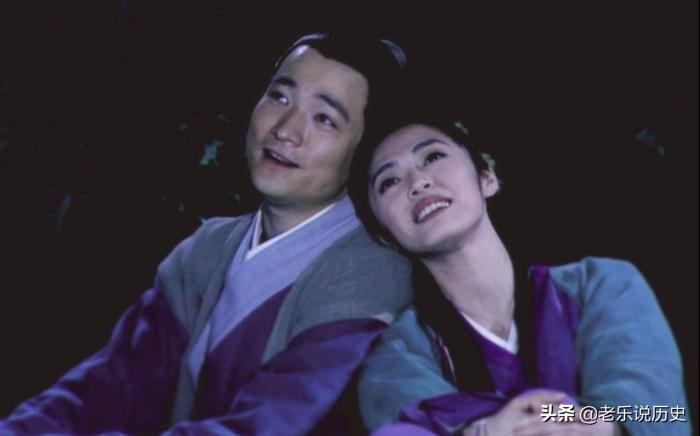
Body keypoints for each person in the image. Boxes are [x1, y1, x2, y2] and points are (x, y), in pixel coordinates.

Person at [0, 32, 413, 435]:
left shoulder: (373, 274)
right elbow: (114, 382)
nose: (286, 129)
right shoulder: (208, 248)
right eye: (279, 97)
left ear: (366, 150)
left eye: (324, 119)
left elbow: (279, 422)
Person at [354, 107, 690, 435]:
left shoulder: (603, 285)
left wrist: (595, 427)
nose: (418, 182)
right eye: (389, 181)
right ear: (385, 236)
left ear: (487, 177)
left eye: (432, 157)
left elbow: (660, 409)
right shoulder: (396, 354)